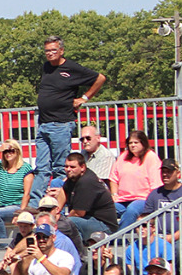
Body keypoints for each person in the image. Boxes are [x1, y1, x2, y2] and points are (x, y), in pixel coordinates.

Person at [35, 35, 105, 181]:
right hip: (43, 123)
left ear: (61, 51)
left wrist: (84, 98)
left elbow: (100, 78)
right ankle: (37, 202)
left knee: (61, 167)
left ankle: (60, 199)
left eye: (53, 50)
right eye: (47, 50)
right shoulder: (46, 67)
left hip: (61, 123)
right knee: (41, 167)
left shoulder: (71, 67)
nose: (50, 53)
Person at [59, 151, 120, 241]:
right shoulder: (73, 177)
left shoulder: (86, 181)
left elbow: (78, 213)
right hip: (88, 219)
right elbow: (63, 192)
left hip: (105, 226)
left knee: (69, 223)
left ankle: (80, 252)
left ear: (82, 167)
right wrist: (54, 213)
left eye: (72, 167)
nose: (68, 169)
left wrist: (60, 222)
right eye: (66, 166)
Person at [111, 131, 162, 228]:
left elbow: (156, 184)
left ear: (143, 143)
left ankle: (119, 239)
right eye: (130, 143)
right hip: (122, 199)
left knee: (132, 210)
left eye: (136, 142)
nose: (132, 145)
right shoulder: (123, 156)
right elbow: (113, 178)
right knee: (105, 209)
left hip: (143, 199)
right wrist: (114, 194)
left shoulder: (151, 157)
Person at [138, 157, 182, 236]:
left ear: (178, 173)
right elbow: (147, 218)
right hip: (157, 237)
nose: (165, 174)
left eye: (169, 172)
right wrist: (154, 235)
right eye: (163, 172)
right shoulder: (155, 194)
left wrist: (173, 237)